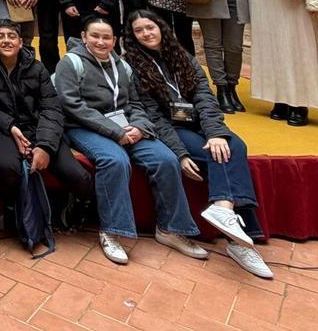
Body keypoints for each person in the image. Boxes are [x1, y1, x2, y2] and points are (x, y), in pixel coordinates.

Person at [123, 11, 273, 278]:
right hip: (173, 129)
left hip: (198, 122)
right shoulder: (132, 67)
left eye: (150, 27)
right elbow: (153, 117)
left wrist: (215, 132)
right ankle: (243, 242)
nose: (146, 33)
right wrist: (180, 154)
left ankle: (223, 208)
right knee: (217, 154)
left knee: (233, 145)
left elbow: (204, 96)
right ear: (132, 37)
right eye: (139, 30)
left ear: (161, 28)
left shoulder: (183, 57)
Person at [52, 17, 206, 266]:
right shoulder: (70, 63)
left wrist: (140, 127)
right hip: (82, 127)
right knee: (114, 160)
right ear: (84, 36)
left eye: (107, 37)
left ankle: (170, 229)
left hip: (126, 127)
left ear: (114, 40)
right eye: (95, 36)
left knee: (166, 159)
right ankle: (112, 231)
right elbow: (72, 105)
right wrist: (116, 131)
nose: (101, 42)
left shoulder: (123, 66)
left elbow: (136, 104)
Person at [0, 20, 93, 229]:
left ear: (21, 42)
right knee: (8, 168)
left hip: (38, 128)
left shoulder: (37, 68)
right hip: (1, 130)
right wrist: (10, 126)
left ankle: (76, 206)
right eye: (0, 36)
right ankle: (12, 211)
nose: (6, 41)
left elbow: (51, 108)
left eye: (11, 36)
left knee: (79, 176)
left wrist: (45, 146)